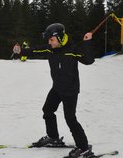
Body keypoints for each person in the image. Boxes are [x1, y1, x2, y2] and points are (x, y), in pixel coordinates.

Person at [22, 23, 95, 158]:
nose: (49, 43)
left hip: (70, 91)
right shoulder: (50, 49)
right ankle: (53, 137)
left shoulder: (72, 49)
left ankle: (84, 148)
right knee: (48, 110)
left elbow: (89, 60)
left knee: (70, 119)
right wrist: (20, 51)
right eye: (48, 40)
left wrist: (87, 43)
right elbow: (35, 50)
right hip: (57, 88)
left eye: (52, 40)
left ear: (60, 38)